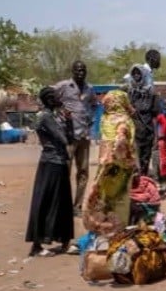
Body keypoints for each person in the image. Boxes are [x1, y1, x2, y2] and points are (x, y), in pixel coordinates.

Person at [25, 87, 75, 257]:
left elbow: (69, 137)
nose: (58, 99)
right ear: (48, 100)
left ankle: (65, 241)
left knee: (62, 202)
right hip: (52, 163)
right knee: (47, 201)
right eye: (54, 97)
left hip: (58, 162)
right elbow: (64, 139)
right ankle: (37, 245)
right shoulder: (46, 117)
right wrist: (66, 121)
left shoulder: (54, 116)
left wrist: (68, 120)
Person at [83, 90, 136, 239]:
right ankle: (116, 231)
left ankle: (101, 228)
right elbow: (121, 141)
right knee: (119, 198)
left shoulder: (105, 118)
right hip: (119, 167)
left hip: (104, 164)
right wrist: (124, 158)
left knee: (102, 195)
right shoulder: (123, 120)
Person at [52, 60, 96, 216]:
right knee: (65, 171)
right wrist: (59, 113)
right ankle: (62, 205)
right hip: (68, 137)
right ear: (72, 71)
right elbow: (47, 96)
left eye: (83, 70)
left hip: (84, 136)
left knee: (83, 172)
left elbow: (94, 105)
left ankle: (77, 206)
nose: (80, 73)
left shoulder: (90, 89)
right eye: (77, 70)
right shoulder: (63, 86)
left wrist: (90, 119)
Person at [125, 63, 158, 177]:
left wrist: (156, 136)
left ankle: (143, 187)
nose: (136, 75)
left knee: (145, 160)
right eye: (134, 73)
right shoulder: (129, 92)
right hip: (135, 132)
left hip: (148, 131)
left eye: (138, 73)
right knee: (136, 161)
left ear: (143, 75)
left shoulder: (151, 92)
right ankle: (135, 188)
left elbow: (155, 115)